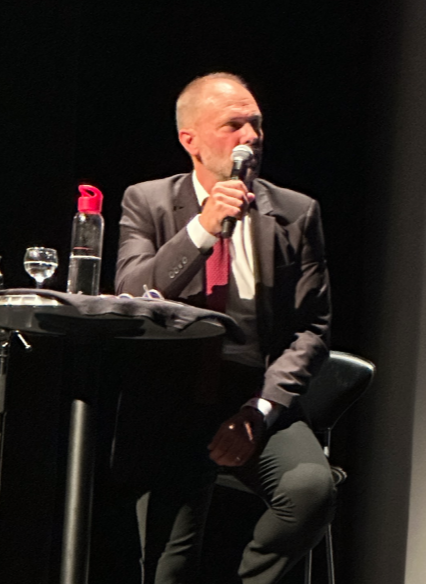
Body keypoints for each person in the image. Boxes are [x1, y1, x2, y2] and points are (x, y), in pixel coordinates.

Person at [114, 72, 335, 584]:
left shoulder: (296, 212)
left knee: (309, 492)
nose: (250, 138)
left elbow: (312, 328)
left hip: (252, 393)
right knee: (168, 565)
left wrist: (259, 411)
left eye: (256, 124)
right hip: (172, 397)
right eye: (233, 125)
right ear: (189, 140)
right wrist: (202, 229)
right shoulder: (147, 201)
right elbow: (131, 293)